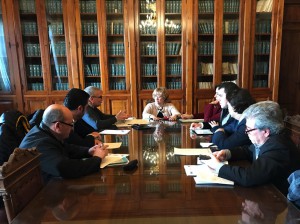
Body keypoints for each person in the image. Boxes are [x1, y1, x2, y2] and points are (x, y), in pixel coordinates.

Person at [205, 101, 299, 194]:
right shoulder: (267, 139)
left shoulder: (278, 147)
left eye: (249, 129)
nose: (246, 132)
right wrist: (227, 153)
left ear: (266, 132)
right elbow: (249, 151)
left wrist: (218, 167)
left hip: (280, 202)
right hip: (266, 191)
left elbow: (249, 177)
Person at [19, 104, 108, 183]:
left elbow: (66, 148)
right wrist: (97, 158)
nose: (72, 129)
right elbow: (66, 168)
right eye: (70, 124)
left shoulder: (44, 132)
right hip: (42, 194)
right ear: (58, 126)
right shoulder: (41, 143)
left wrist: (88, 151)